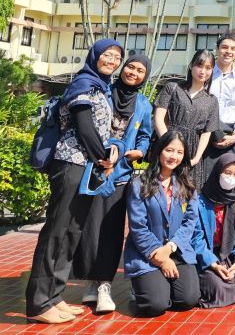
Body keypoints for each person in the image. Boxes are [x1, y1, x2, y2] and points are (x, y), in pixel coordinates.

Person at [25, 39, 124, 324]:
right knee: (56, 230)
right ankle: (38, 303)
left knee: (71, 232)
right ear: (95, 56)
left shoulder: (101, 87)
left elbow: (102, 130)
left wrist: (109, 151)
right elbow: (84, 126)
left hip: (87, 167)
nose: (112, 60)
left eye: (117, 57)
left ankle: (54, 297)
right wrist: (103, 157)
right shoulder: (83, 84)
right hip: (70, 164)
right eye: (107, 55)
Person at [73, 54, 153, 314]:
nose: (134, 73)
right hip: (94, 169)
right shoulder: (104, 91)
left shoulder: (143, 104)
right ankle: (90, 281)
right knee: (89, 226)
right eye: (130, 67)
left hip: (121, 175)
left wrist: (140, 151)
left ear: (145, 76)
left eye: (140, 70)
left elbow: (145, 135)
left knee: (112, 228)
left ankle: (105, 284)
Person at [124, 131, 200, 317]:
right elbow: (138, 226)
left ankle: (161, 286)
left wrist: (171, 247)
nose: (174, 156)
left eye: (179, 152)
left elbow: (190, 221)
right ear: (159, 151)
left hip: (177, 251)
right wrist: (160, 257)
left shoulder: (186, 186)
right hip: (147, 253)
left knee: (188, 299)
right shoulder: (139, 184)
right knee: (155, 305)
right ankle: (142, 290)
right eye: (169, 150)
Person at [191, 153, 235, 308]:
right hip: (208, 256)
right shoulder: (200, 200)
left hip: (231, 255)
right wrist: (213, 263)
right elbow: (196, 238)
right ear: (217, 172)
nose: (230, 178)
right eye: (227, 173)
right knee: (216, 286)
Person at [154, 50, 220, 189]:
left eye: (208, 68)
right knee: (160, 189)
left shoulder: (212, 100)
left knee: (187, 193)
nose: (203, 71)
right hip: (167, 145)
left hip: (192, 151)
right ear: (191, 66)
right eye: (199, 65)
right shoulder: (172, 88)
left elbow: (206, 132)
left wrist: (196, 158)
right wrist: (169, 145)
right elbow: (158, 118)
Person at [205, 34, 235, 178]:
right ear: (217, 50)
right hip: (205, 133)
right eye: (224, 47)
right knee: (203, 179)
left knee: (227, 179)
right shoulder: (206, 73)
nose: (228, 51)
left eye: (233, 49)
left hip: (230, 133)